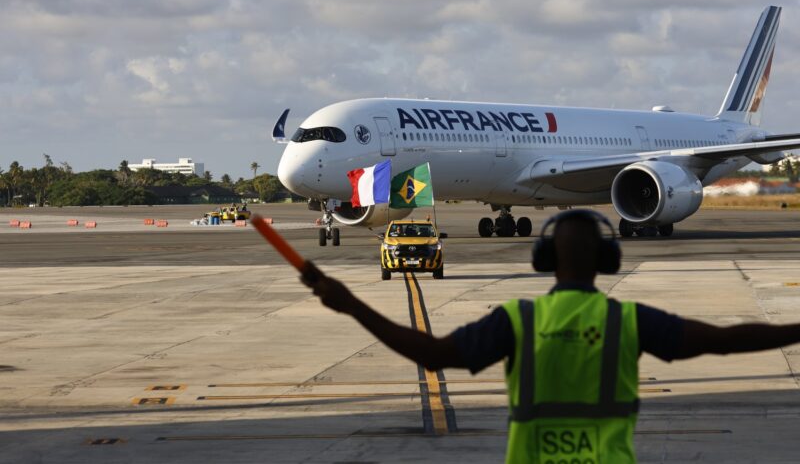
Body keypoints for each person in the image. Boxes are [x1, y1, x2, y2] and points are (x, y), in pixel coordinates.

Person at [301, 209, 800, 463]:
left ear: (544, 261)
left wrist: (351, 304)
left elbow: (429, 353)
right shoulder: (630, 322)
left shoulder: (516, 321)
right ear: (608, 262)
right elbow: (726, 340)